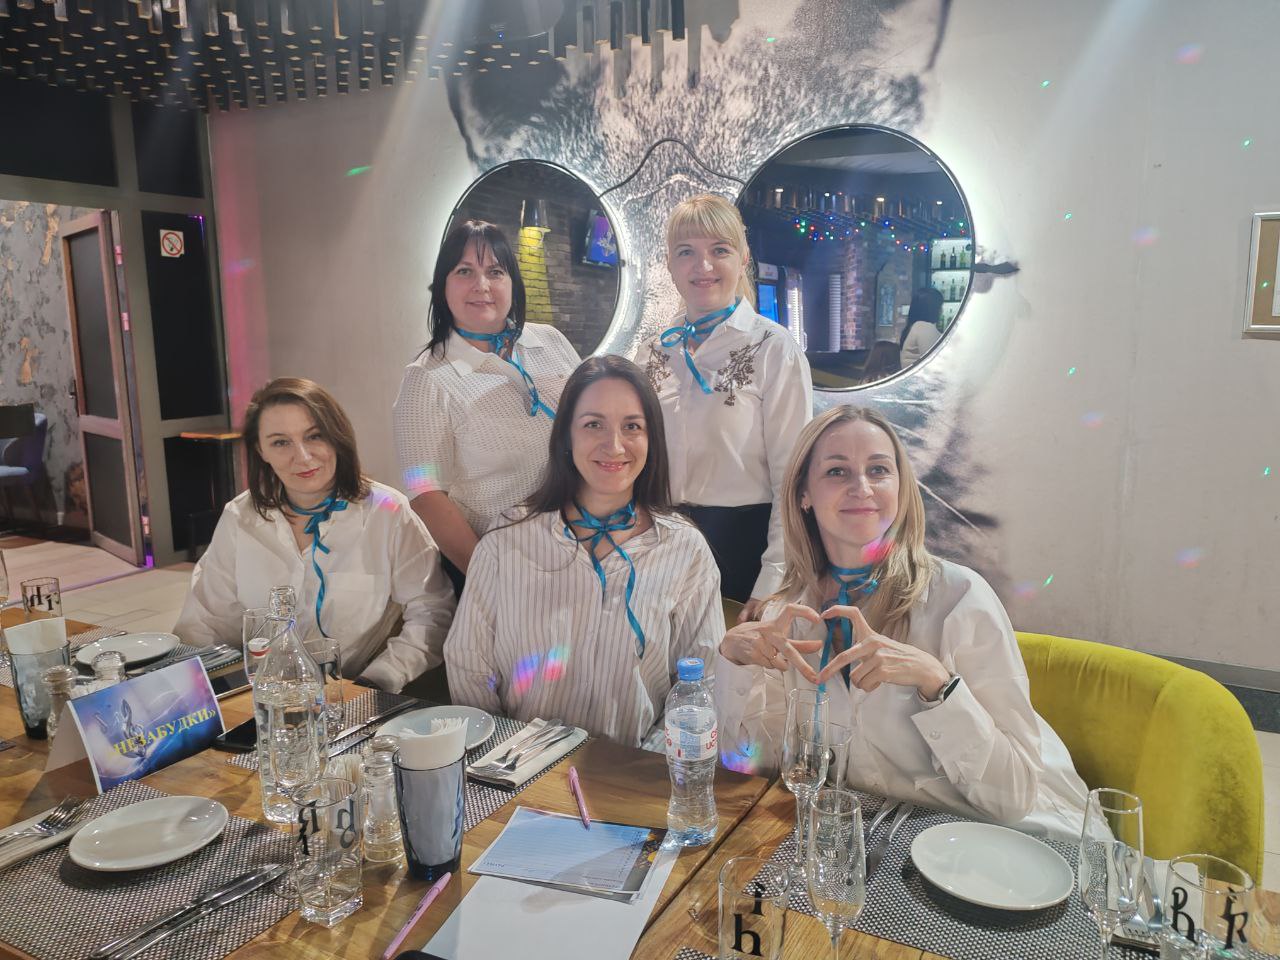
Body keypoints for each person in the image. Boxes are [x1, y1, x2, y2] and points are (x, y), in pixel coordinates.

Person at [714, 405, 1088, 839]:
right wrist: (734, 663)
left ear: (900, 487)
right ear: (803, 494)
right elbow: (752, 767)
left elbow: (1014, 796)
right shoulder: (786, 616)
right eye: (837, 471)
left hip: (1003, 842)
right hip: (872, 844)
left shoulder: (959, 597)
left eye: (878, 470)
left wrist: (937, 684)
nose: (861, 487)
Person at [445, 356, 723, 748]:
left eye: (632, 426)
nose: (614, 445)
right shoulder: (508, 540)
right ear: (566, 436)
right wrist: (501, 756)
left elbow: (704, 681)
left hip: (633, 770)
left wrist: (642, 766)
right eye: (593, 424)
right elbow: (468, 664)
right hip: (516, 766)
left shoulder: (684, 549)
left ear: (652, 439)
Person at [175, 378, 455, 693]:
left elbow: (432, 612)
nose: (304, 457)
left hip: (353, 693)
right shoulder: (240, 518)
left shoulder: (387, 511)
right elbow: (204, 623)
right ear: (260, 450)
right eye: (280, 442)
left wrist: (377, 680)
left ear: (337, 437)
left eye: (314, 436)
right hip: (261, 693)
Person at [641, 194, 812, 620]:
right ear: (669, 264)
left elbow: (792, 476)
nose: (703, 266)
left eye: (719, 250)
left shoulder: (773, 348)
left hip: (745, 548)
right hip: (660, 547)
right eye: (686, 252)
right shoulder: (651, 352)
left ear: (743, 258)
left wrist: (774, 578)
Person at [393, 220, 582, 595]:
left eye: (495, 271)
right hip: (500, 565)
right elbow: (426, 495)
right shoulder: (426, 377)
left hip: (581, 546)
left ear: (513, 282)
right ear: (443, 286)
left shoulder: (550, 341)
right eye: (465, 271)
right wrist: (490, 577)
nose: (482, 285)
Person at [898, 286, 944, 366]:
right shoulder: (925, 328)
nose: (942, 310)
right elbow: (935, 361)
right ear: (933, 308)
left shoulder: (915, 327)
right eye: (940, 306)